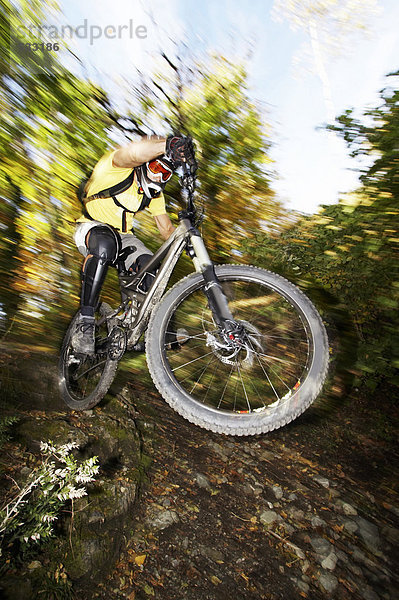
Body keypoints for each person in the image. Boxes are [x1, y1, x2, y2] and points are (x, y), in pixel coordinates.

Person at [72, 134, 193, 354]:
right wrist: (167, 146)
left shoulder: (155, 196)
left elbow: (166, 230)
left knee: (150, 265)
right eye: (156, 168)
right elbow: (131, 153)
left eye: (165, 174)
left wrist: (191, 243)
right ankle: (85, 321)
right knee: (104, 245)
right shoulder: (116, 167)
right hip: (91, 228)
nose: (159, 177)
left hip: (124, 237)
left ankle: (160, 330)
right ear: (145, 164)